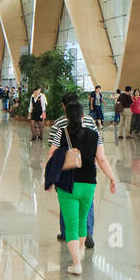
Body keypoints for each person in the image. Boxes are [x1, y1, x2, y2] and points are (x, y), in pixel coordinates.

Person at [45, 97, 116, 275]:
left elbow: (51, 154)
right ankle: (80, 253)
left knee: (71, 225)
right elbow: (101, 159)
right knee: (82, 222)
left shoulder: (62, 132)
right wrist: (112, 178)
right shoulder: (94, 134)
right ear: (83, 117)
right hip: (89, 184)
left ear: (67, 117)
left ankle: (76, 263)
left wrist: (49, 178)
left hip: (67, 184)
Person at [50, 94, 99, 248]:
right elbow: (98, 144)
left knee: (67, 203)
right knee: (87, 203)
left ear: (64, 107)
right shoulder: (90, 120)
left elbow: (53, 150)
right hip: (88, 172)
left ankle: (67, 233)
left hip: (67, 172)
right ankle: (87, 232)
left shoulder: (59, 123)